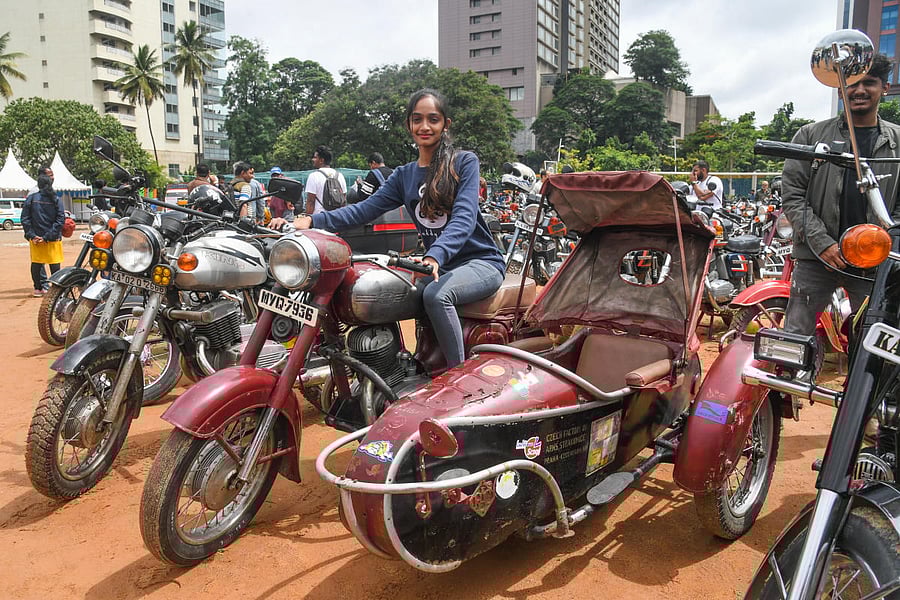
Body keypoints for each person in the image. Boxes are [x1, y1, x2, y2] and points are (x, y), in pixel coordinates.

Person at [273, 89, 505, 369]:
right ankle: (401, 366)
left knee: (437, 295)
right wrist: (312, 221)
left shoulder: (463, 162)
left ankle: (459, 377)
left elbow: (464, 218)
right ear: (409, 124)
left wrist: (435, 255)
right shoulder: (404, 175)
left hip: (479, 262)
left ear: (446, 124)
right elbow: (364, 210)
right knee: (388, 291)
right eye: (417, 119)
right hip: (439, 267)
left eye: (433, 119)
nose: (425, 126)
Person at [782, 52, 900, 340]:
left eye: (869, 82)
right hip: (815, 258)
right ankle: (791, 384)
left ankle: (860, 387)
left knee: (874, 341)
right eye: (851, 83)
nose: (859, 90)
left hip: (875, 261)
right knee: (796, 338)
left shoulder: (898, 141)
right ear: (839, 88)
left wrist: (878, 241)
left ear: (885, 87)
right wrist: (821, 243)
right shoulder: (810, 136)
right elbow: (793, 194)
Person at [22, 169, 64, 297]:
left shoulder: (31, 198)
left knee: (36, 263)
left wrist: (32, 235)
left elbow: (25, 219)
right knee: (54, 264)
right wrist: (47, 236)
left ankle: (38, 289)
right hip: (52, 238)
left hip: (35, 239)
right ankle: (56, 290)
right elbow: (60, 219)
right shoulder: (56, 199)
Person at [304, 145, 347, 215]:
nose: (313, 159)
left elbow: (311, 201)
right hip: (336, 217)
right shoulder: (340, 175)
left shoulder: (314, 176)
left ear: (321, 160)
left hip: (319, 217)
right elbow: (343, 200)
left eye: (315, 157)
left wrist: (308, 218)